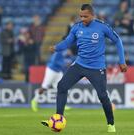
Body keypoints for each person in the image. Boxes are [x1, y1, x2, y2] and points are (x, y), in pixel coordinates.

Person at [41, 4, 127, 133]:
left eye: (85, 16)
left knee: (103, 96)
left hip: (97, 67)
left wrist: (122, 61)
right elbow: (68, 41)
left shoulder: (102, 27)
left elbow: (117, 41)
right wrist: (56, 47)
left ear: (92, 15)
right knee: (62, 86)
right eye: (81, 16)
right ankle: (58, 118)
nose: (82, 19)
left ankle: (111, 124)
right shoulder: (76, 28)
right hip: (79, 64)